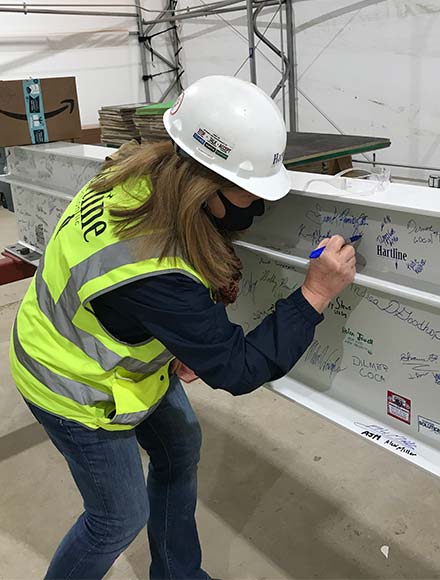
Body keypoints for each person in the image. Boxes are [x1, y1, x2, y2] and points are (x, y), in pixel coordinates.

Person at [10, 75, 356, 580]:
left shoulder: (135, 173)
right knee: (115, 519)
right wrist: (316, 295)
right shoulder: (155, 266)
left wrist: (168, 333)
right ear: (204, 181)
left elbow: (123, 297)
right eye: (247, 191)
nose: (257, 206)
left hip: (97, 350)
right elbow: (237, 369)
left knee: (180, 447)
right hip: (72, 386)